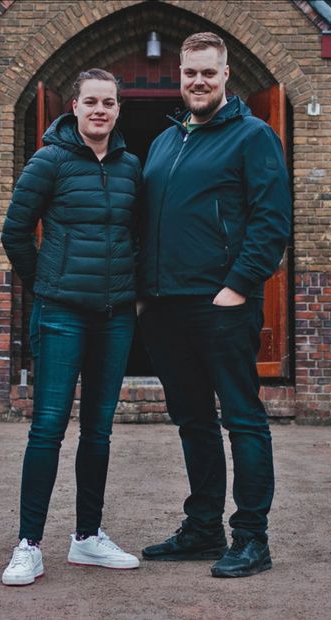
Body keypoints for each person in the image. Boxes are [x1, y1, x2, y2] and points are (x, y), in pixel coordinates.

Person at [136, 32, 292, 578]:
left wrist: (239, 286)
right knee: (193, 422)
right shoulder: (165, 142)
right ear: (178, 76)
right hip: (164, 308)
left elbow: (272, 221)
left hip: (222, 305)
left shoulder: (253, 137)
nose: (197, 81)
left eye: (208, 72)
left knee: (243, 420)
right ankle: (203, 528)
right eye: (189, 73)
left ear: (226, 76)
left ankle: (251, 537)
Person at [0, 68, 143, 586]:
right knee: (48, 428)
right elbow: (14, 231)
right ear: (75, 107)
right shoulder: (49, 160)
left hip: (115, 316)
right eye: (91, 102)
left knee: (99, 431)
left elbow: (138, 234)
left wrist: (133, 289)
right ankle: (29, 545)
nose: (100, 110)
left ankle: (87, 538)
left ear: (117, 109)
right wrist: (46, 283)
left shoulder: (131, 167)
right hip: (60, 314)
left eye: (109, 102)